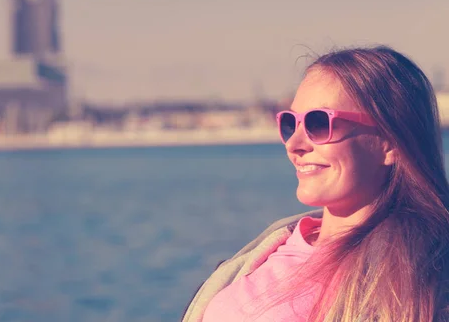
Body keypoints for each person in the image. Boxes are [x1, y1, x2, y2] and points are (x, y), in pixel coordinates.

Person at [181, 45, 449, 322]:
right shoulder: (271, 244)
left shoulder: (419, 280)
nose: (294, 144)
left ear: (390, 143)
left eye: (318, 123)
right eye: (290, 124)